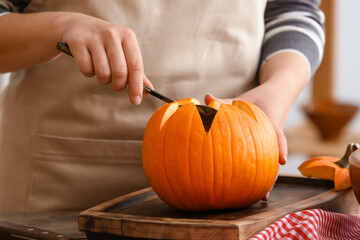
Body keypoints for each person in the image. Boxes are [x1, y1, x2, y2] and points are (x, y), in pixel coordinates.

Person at [0, 0, 325, 213]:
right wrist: (60, 27)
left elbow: (294, 10)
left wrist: (276, 92)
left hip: (234, 183)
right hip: (59, 190)